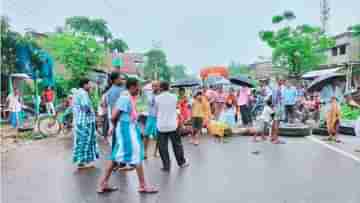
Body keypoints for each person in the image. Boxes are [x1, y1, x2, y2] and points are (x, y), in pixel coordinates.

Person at [97, 78, 158, 194]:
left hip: (127, 129)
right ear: (132, 87)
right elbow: (114, 116)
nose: (139, 89)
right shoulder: (125, 97)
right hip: (126, 130)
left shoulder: (127, 97)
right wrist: (116, 128)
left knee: (116, 157)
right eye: (138, 86)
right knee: (136, 155)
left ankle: (103, 184)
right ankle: (143, 185)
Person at [155, 81, 189, 171]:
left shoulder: (157, 98)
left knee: (162, 147)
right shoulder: (174, 97)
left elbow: (156, 112)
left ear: (161, 88)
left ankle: (166, 166)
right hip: (173, 125)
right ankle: (181, 162)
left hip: (161, 126)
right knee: (177, 144)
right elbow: (177, 109)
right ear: (169, 87)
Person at [72, 79, 99, 169]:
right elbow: (85, 106)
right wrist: (92, 113)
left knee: (81, 141)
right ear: (84, 85)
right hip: (85, 121)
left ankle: (82, 161)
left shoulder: (77, 93)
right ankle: (82, 162)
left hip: (80, 121)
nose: (90, 86)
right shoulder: (83, 93)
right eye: (89, 84)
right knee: (86, 141)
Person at [144, 81, 160, 159]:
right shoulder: (149, 95)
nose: (155, 87)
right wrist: (153, 95)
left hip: (158, 118)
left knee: (158, 137)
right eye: (153, 86)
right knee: (146, 135)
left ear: (159, 87)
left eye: (156, 86)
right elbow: (150, 102)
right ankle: (144, 152)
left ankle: (155, 152)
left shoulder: (161, 96)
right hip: (150, 117)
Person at [270, 78, 286, 144]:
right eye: (281, 80)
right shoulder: (277, 88)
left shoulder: (277, 87)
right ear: (278, 81)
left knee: (274, 121)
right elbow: (275, 99)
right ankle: (276, 139)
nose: (282, 81)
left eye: (282, 80)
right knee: (277, 122)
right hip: (278, 106)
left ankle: (272, 137)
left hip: (276, 106)